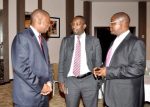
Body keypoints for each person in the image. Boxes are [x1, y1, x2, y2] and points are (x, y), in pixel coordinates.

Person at [93, 12, 146, 107]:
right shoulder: (114, 41)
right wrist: (101, 69)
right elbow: (111, 63)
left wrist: (108, 71)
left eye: (112, 23)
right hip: (111, 91)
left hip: (125, 96)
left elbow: (138, 69)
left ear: (122, 23)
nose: (109, 26)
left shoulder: (136, 42)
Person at [11, 9, 53, 107]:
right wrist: (41, 86)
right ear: (39, 21)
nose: (49, 25)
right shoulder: (22, 38)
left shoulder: (43, 40)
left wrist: (49, 82)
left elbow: (47, 64)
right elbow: (21, 68)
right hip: (27, 96)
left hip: (44, 95)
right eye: (48, 22)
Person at [58, 15, 102, 107]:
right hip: (70, 81)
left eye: (77, 24)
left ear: (84, 26)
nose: (74, 26)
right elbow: (61, 61)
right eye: (73, 24)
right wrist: (61, 81)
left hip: (90, 80)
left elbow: (98, 62)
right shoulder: (66, 41)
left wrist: (97, 82)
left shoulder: (94, 41)